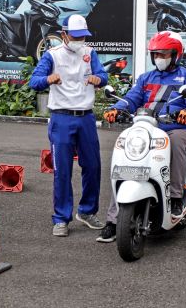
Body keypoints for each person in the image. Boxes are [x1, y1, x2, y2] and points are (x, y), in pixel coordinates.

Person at [97, 31, 186, 243]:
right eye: (156, 54)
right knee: (124, 158)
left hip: (174, 127)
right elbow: (131, 98)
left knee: (175, 143)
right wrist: (116, 108)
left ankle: (175, 198)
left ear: (176, 55)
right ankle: (113, 220)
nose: (159, 58)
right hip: (146, 127)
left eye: (164, 54)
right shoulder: (146, 78)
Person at [29, 14, 109, 237]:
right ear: (64, 35)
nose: (79, 40)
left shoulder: (89, 53)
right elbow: (34, 82)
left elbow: (104, 76)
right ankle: (61, 219)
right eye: (75, 36)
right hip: (61, 117)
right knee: (62, 170)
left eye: (83, 36)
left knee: (92, 166)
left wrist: (99, 79)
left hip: (85, 117)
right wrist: (48, 79)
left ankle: (87, 212)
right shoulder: (51, 55)